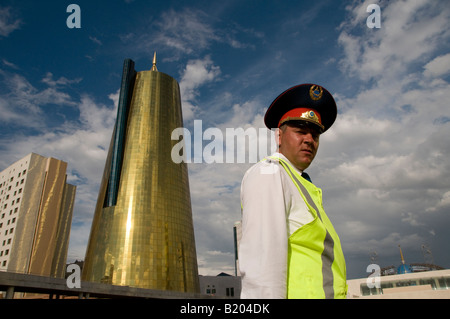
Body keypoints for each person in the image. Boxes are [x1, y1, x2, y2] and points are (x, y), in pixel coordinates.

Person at [239, 83, 347, 299]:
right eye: (300, 131)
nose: (309, 139)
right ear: (279, 136)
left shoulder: (298, 181)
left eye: (315, 135)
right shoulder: (270, 173)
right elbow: (262, 270)